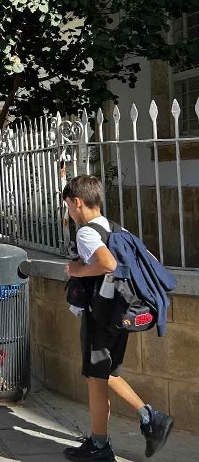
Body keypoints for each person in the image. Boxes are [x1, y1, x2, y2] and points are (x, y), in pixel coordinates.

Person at [62, 175, 173, 461]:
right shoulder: (116, 228)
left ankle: (116, 436)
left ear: (77, 202)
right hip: (119, 313)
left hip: (100, 315)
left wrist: (77, 271)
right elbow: (148, 258)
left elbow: (108, 263)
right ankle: (127, 428)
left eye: (68, 206)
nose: (69, 212)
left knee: (97, 376)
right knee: (105, 374)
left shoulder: (87, 233)